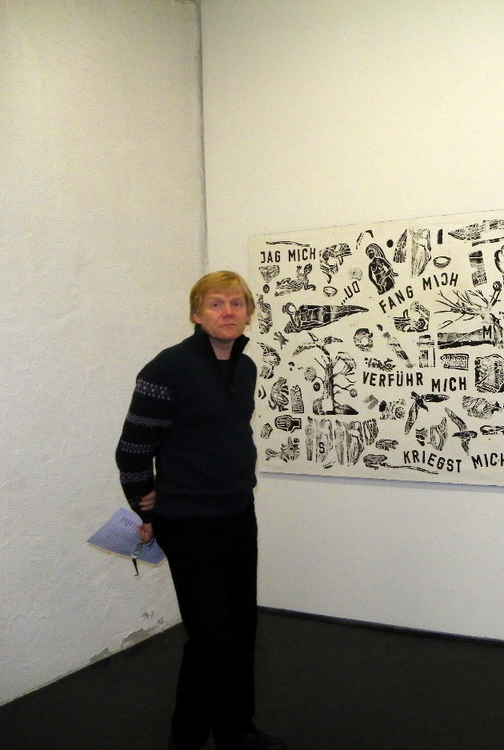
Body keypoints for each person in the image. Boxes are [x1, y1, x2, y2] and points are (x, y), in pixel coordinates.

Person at [116, 271, 287, 750]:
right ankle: (186, 741)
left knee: (242, 627)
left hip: (238, 512)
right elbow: (133, 448)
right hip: (189, 522)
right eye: (216, 303)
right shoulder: (167, 369)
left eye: (236, 303)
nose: (227, 312)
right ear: (196, 313)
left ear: (248, 313)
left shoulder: (245, 366)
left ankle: (236, 730)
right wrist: (144, 502)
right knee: (211, 638)